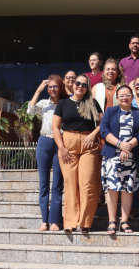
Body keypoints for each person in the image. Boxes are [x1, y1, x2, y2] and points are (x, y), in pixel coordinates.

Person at [52, 75, 103, 233]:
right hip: (68, 144)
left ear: (87, 88)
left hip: (89, 144)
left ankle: (85, 222)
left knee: (88, 183)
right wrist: (61, 147)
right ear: (73, 85)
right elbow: (55, 127)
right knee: (70, 183)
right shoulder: (63, 103)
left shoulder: (92, 103)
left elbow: (103, 123)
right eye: (78, 83)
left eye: (84, 84)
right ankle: (70, 222)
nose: (80, 86)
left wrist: (93, 134)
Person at [99, 85, 139, 235]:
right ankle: (112, 221)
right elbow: (104, 130)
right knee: (112, 188)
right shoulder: (110, 111)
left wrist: (128, 147)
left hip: (131, 156)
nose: (125, 98)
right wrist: (120, 145)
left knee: (128, 188)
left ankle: (124, 221)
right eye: (121, 95)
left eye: (127, 95)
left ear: (132, 97)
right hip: (112, 155)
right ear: (117, 98)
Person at [29, 75, 66, 231]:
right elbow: (30, 111)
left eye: (55, 86)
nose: (52, 89)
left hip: (60, 143)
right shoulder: (44, 103)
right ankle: (44, 221)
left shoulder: (65, 103)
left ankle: (55, 220)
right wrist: (39, 90)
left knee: (57, 183)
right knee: (44, 184)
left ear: (60, 87)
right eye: (50, 87)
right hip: (44, 142)